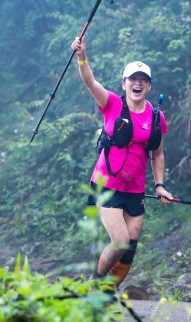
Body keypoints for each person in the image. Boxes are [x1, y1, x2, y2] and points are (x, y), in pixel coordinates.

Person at [71, 33, 175, 287]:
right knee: (120, 241)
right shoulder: (113, 104)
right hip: (106, 185)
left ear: (149, 86)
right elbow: (90, 83)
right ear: (124, 83)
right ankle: (93, 284)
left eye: (143, 80)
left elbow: (157, 153)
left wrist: (159, 185)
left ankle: (106, 293)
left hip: (135, 190)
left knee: (130, 248)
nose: (137, 84)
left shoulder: (156, 118)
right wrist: (82, 57)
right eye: (133, 79)